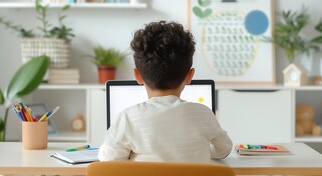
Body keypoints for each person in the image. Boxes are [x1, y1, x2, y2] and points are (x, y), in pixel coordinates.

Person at [98, 21, 233, 162]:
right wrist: (202, 149)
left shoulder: (127, 118)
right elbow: (224, 149)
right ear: (189, 76)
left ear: (137, 75)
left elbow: (108, 160)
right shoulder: (203, 114)